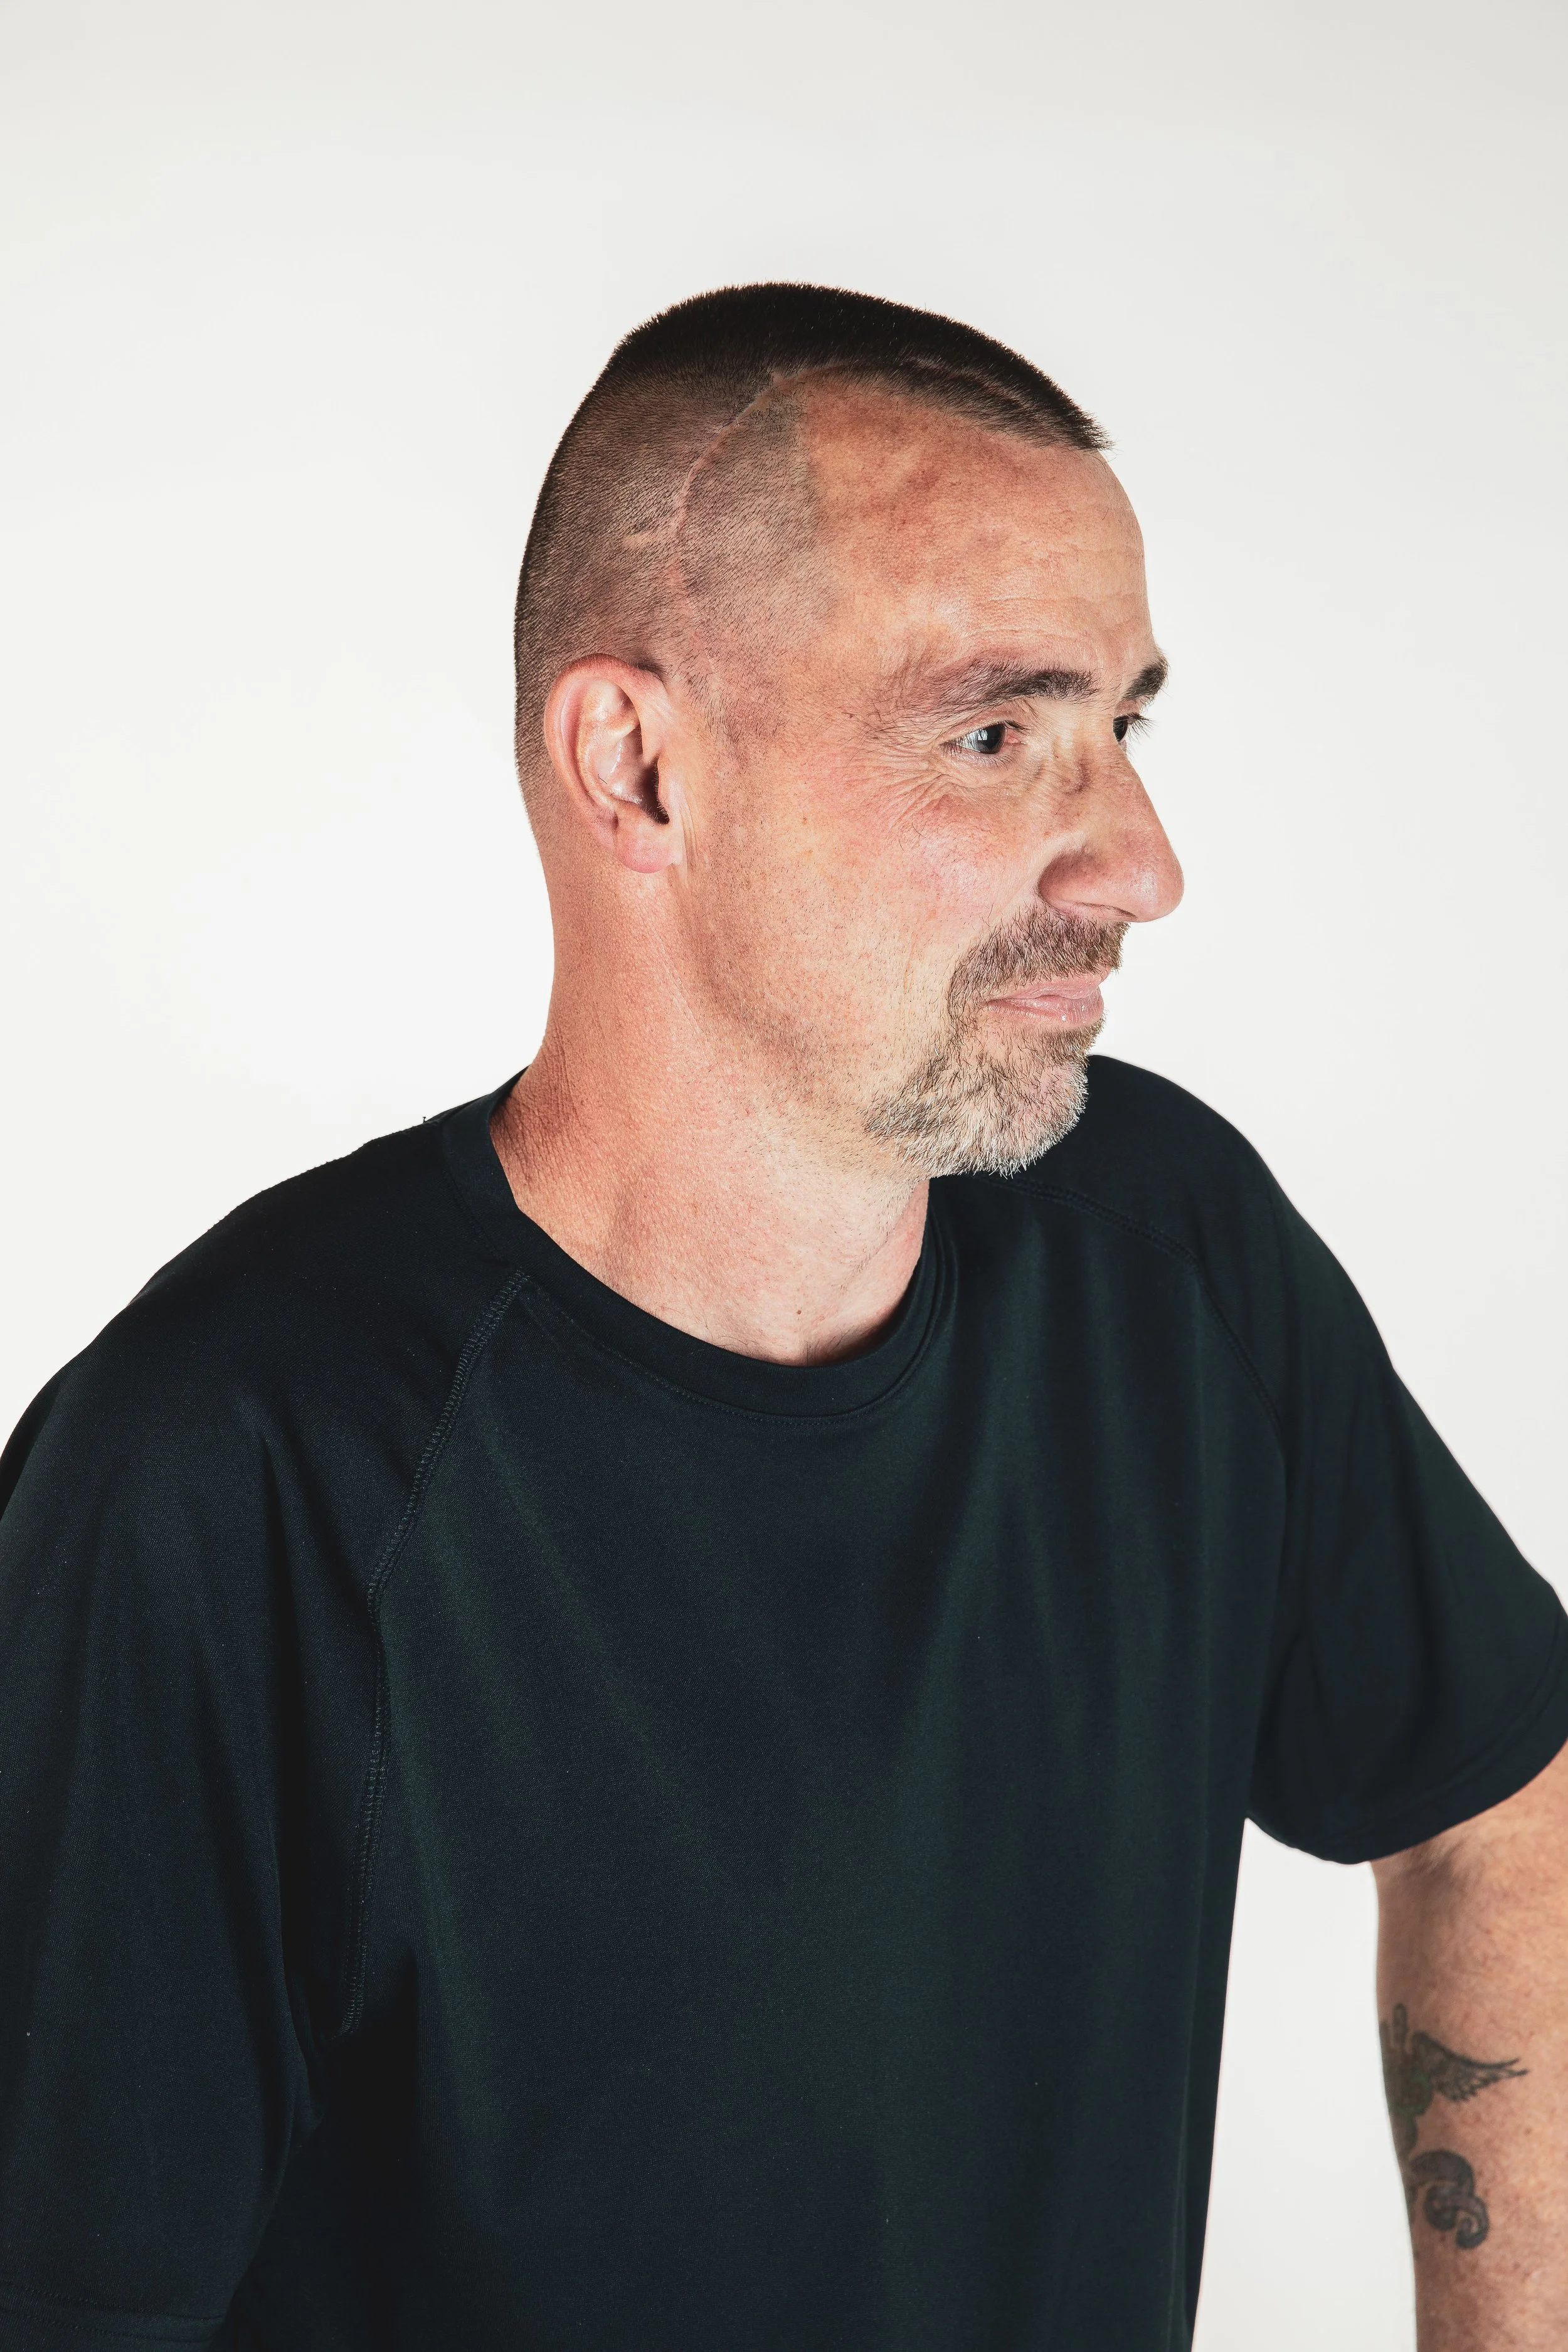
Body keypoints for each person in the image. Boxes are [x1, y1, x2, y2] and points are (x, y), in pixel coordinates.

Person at [1, 284, 1564, 2352]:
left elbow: (1494, 1799)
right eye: (995, 729)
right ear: (636, 767)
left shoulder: (1164, 1250)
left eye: (1124, 724)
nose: (1138, 861)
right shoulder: (223, 1478)